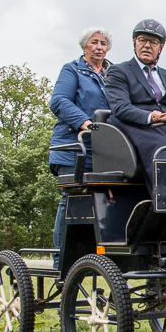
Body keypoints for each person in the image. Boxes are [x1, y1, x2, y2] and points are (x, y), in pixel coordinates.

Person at [103, 19, 166, 187]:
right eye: (142, 40)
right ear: (135, 42)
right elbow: (120, 108)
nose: (147, 46)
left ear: (160, 48)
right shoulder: (119, 71)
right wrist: (157, 117)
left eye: (153, 42)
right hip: (137, 127)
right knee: (165, 149)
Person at [49, 27, 113, 270]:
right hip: (73, 147)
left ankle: (96, 258)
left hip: (106, 148)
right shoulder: (72, 70)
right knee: (72, 196)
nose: (99, 46)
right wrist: (84, 122)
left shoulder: (113, 73)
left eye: (103, 43)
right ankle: (61, 260)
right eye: (94, 42)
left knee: (107, 199)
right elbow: (59, 101)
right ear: (84, 47)